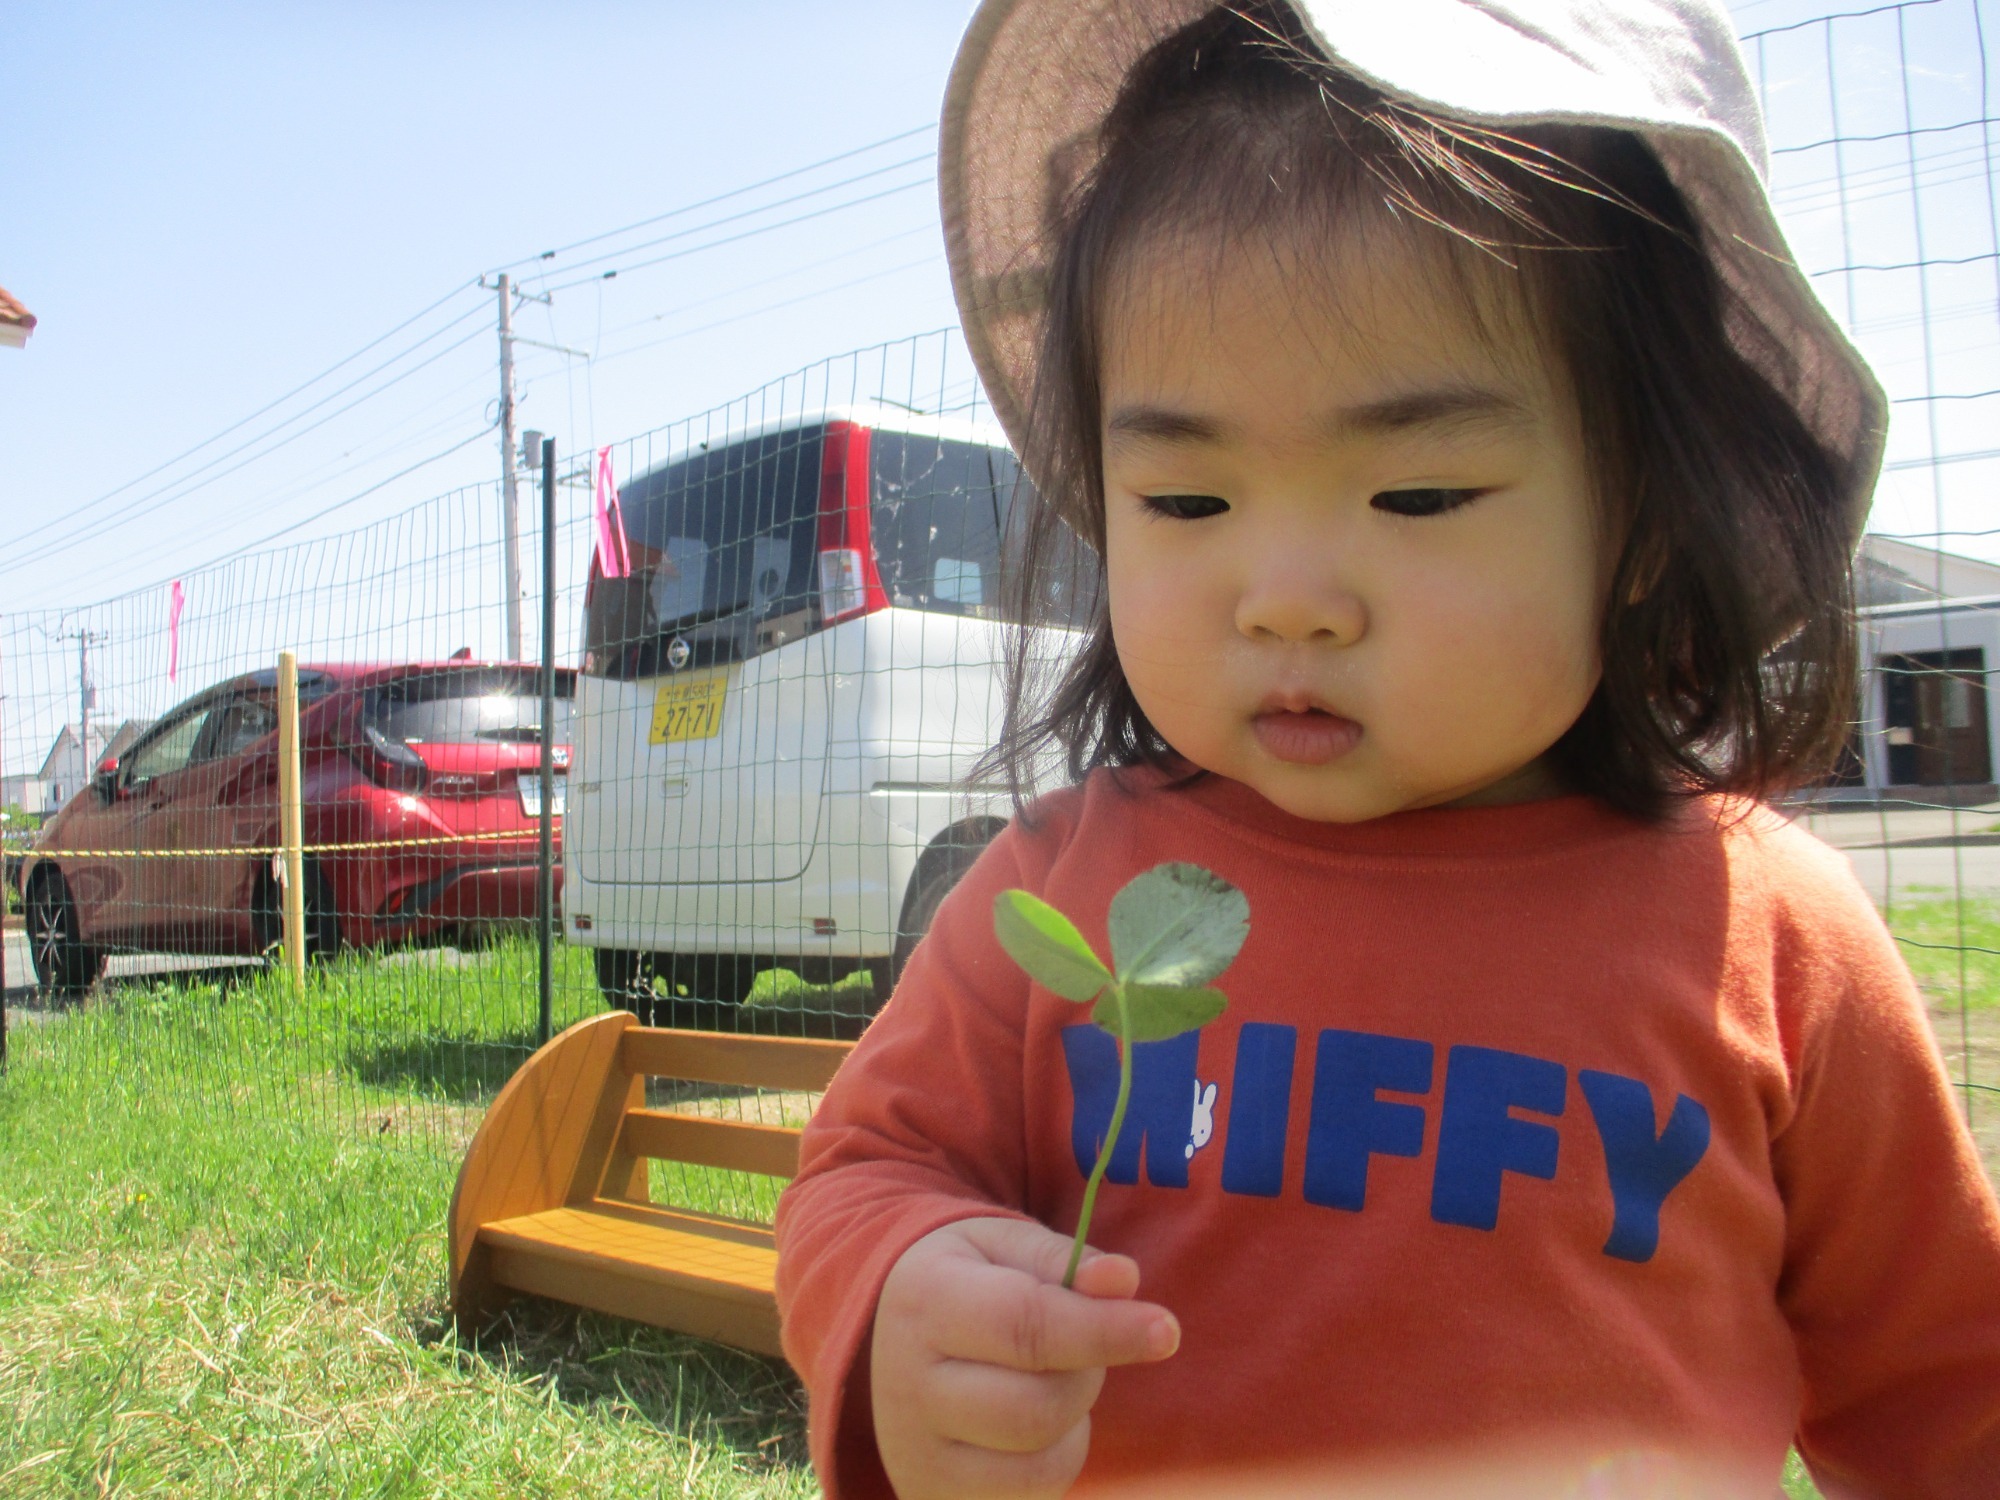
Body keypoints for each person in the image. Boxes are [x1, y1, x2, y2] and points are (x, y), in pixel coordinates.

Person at [774, 2, 2000, 1495]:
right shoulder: (1065, 890)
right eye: (1187, 503)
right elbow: (864, 1173)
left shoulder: (1779, 942)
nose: (1285, 597)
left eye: (1417, 495)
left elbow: (1949, 1395)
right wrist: (905, 1289)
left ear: (1641, 515)